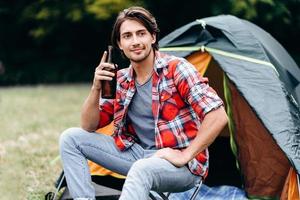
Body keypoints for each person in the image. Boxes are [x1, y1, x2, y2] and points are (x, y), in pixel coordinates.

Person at [59, 6, 228, 200]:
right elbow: (88, 125)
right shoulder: (122, 80)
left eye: (141, 34)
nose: (135, 41)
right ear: (120, 44)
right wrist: (96, 87)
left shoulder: (177, 69)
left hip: (181, 165)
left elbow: (218, 115)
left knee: (141, 169)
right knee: (70, 138)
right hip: (139, 155)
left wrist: (184, 156)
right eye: (128, 36)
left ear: (153, 37)